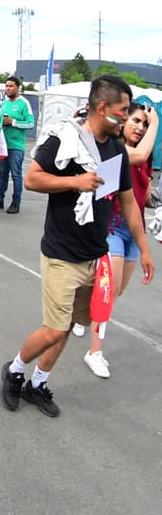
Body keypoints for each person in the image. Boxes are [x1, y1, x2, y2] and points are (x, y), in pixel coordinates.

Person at [1, 76, 154, 418]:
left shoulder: (115, 149)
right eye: (123, 111)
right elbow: (32, 178)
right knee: (54, 328)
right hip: (61, 254)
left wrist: (144, 248)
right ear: (103, 108)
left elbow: (128, 202)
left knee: (68, 327)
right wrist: (75, 181)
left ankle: (38, 383)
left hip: (94, 254)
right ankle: (14, 370)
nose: (126, 117)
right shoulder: (65, 138)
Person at [82, 101, 157, 377]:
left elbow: (143, 197)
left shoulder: (145, 158)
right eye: (136, 121)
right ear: (124, 122)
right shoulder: (117, 150)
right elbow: (139, 154)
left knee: (116, 291)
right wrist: (157, 122)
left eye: (145, 124)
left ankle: (83, 310)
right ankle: (94, 351)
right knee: (108, 291)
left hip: (133, 231)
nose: (140, 127)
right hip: (111, 226)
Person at [0, 76, 35, 213]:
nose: (8, 88)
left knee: (16, 175)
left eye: (11, 86)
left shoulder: (24, 103)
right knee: (2, 174)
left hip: (16, 146)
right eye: (6, 86)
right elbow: (1, 122)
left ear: (17, 87)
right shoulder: (4, 103)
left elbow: (30, 123)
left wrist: (13, 122)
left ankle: (16, 203)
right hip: (3, 145)